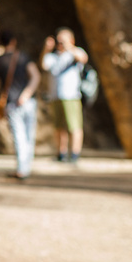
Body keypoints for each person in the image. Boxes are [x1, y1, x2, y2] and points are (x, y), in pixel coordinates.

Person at [0, 30, 41, 179]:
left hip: (11, 101)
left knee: (19, 136)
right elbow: (36, 76)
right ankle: (26, 167)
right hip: (29, 101)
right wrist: (27, 94)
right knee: (29, 135)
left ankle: (22, 169)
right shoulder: (23, 57)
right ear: (14, 41)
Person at [41, 27, 88, 163]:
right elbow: (44, 65)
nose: (60, 44)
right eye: (59, 41)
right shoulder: (53, 56)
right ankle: (61, 153)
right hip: (55, 95)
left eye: (63, 41)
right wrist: (47, 48)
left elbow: (83, 58)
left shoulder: (73, 54)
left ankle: (74, 154)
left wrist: (69, 47)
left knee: (74, 125)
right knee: (59, 127)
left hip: (71, 96)